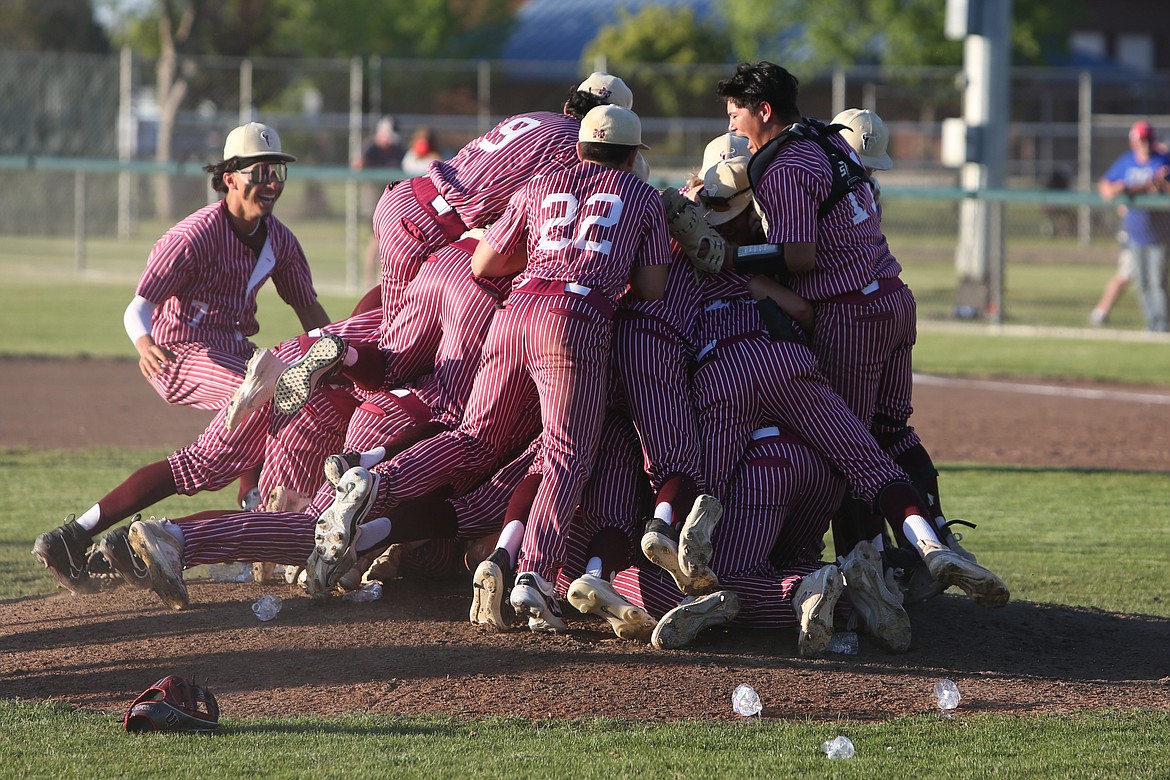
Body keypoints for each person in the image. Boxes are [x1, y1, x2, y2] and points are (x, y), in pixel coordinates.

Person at [714, 63, 1005, 606]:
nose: (733, 126)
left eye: (736, 115)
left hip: (851, 312)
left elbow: (799, 255)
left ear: (764, 111)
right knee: (891, 429)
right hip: (894, 296)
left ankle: (871, 577)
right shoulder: (831, 139)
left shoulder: (780, 164)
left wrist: (731, 255)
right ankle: (938, 537)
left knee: (849, 451)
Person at [124, 121, 330, 412]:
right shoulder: (193, 236)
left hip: (236, 349)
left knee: (303, 387)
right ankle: (203, 460)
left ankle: (247, 458)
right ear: (231, 179)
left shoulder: (280, 239)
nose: (273, 183)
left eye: (278, 172)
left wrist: (338, 354)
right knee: (265, 392)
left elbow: (308, 308)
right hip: (178, 353)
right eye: (260, 173)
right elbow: (139, 307)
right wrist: (145, 346)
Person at [1097, 120, 1170, 332]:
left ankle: (1162, 325)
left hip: (1160, 233)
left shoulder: (1163, 160)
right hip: (1135, 233)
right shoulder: (1126, 161)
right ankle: (1151, 323)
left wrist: (1160, 185)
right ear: (1133, 142)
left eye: (1147, 139)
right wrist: (1120, 189)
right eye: (1140, 140)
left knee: (1158, 281)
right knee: (1143, 283)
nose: (1144, 144)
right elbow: (1106, 187)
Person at [354, 116, 406, 287]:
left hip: (392, 203)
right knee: (374, 241)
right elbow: (358, 165)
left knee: (387, 243)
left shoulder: (397, 149)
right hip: (373, 202)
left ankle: (380, 281)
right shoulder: (371, 148)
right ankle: (369, 281)